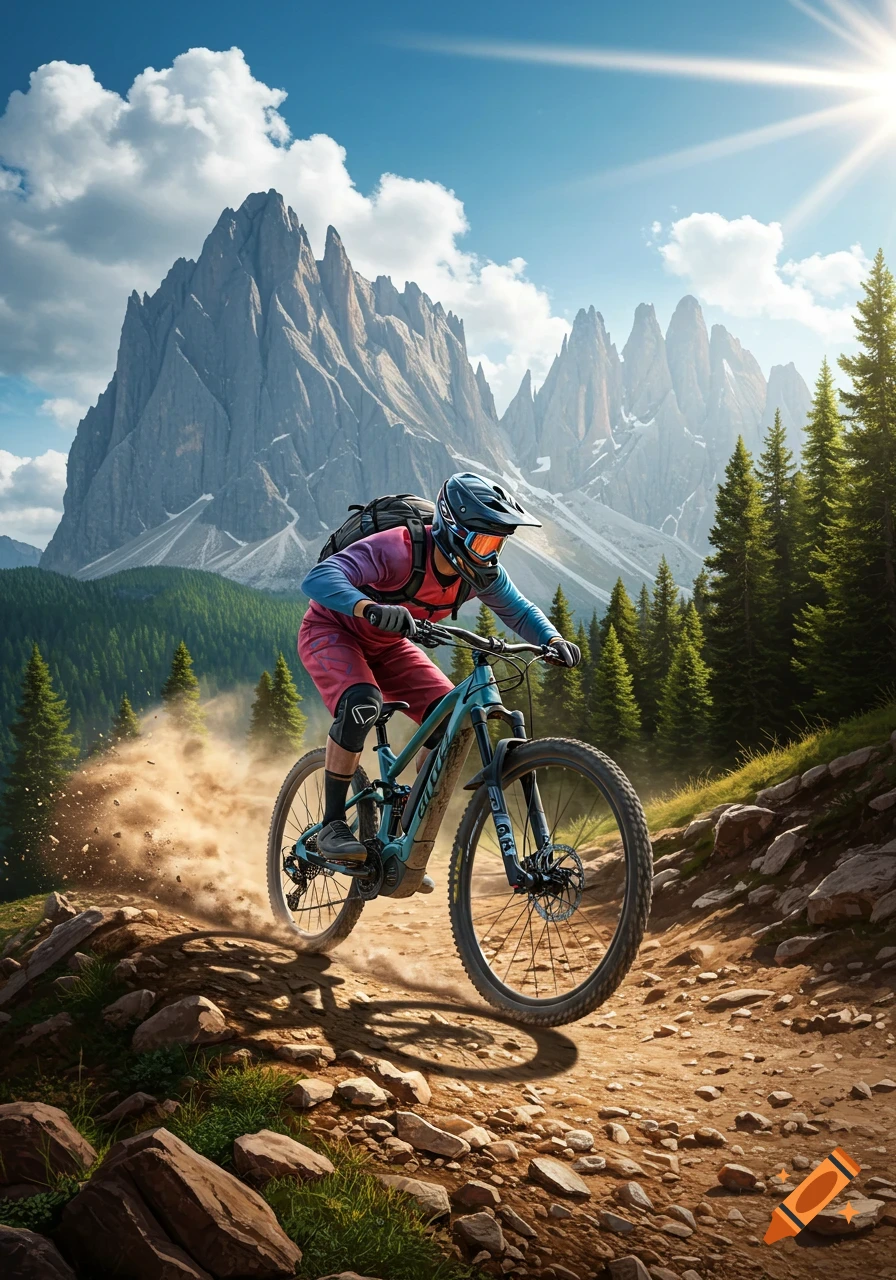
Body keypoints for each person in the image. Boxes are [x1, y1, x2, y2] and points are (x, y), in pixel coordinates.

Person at [298, 472, 581, 863]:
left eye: (497, 543)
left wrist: (552, 639)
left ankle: (402, 841)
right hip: (332, 631)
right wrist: (370, 608)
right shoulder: (398, 550)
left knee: (449, 719)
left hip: (389, 646)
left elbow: (519, 610)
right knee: (362, 702)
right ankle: (332, 824)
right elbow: (320, 577)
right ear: (452, 529)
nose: (490, 553)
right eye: (483, 541)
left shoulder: (478, 573)